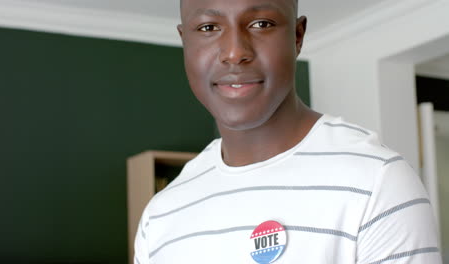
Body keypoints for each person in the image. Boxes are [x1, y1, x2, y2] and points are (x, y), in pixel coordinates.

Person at [134, 0, 442, 263]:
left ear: (297, 36)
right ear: (184, 40)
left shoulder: (376, 182)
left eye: (261, 23)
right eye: (207, 28)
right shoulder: (161, 214)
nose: (234, 52)